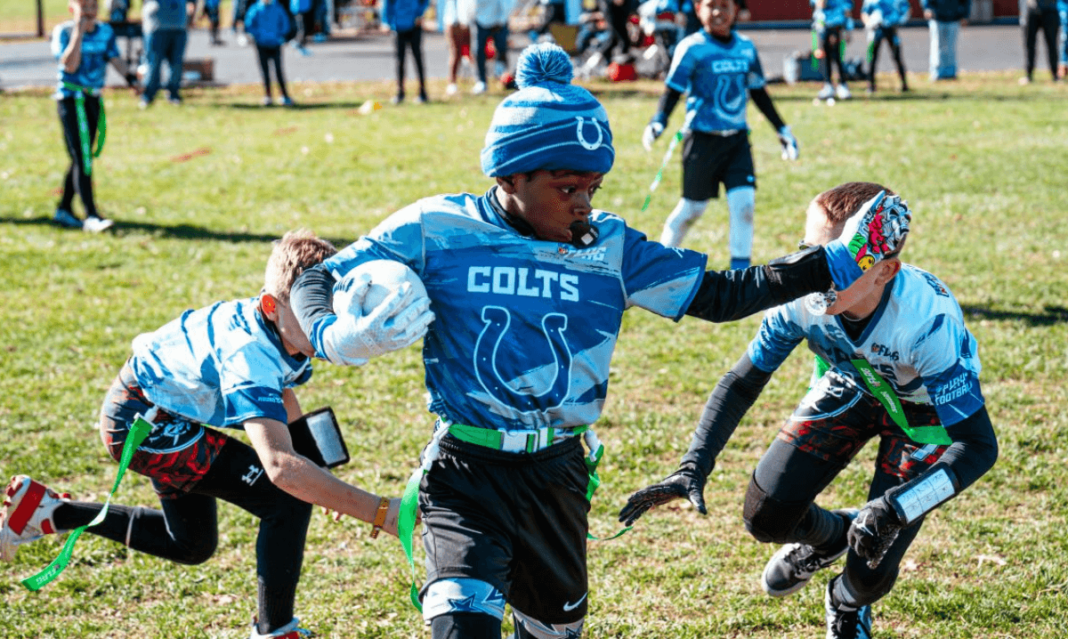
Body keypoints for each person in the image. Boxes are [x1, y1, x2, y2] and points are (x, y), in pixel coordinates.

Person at [287, 44, 908, 639]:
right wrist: (329, 332)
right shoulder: (436, 227)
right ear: (509, 173)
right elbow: (319, 275)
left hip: (557, 474)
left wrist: (831, 261)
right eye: (566, 188)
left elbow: (722, 296)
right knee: (458, 623)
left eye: (593, 187)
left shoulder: (612, 247)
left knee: (553, 629)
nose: (584, 203)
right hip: (465, 472)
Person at [0, 230, 435, 639]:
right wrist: (380, 511)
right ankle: (275, 631)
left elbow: (284, 397)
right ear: (271, 306)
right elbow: (282, 468)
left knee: (190, 543)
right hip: (143, 421)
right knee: (284, 498)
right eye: (313, 314)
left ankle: (48, 512)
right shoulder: (250, 351)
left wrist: (318, 472)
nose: (325, 324)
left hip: (160, 411)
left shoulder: (287, 329)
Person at [620, 182, 998, 639]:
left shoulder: (924, 321)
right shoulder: (801, 295)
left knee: (870, 573)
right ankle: (833, 535)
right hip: (853, 385)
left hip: (922, 417)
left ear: (884, 272)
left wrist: (899, 507)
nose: (815, 272)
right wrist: (692, 466)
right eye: (810, 252)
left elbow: (978, 446)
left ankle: (844, 600)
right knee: (765, 517)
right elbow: (741, 382)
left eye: (837, 262)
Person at [642, 0, 799, 269]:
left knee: (744, 208)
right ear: (698, 9)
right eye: (711, 5)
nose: (718, 12)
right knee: (692, 209)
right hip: (702, 140)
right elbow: (673, 90)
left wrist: (782, 129)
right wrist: (659, 121)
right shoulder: (691, 47)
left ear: (735, 10)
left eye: (725, 5)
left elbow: (758, 92)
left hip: (737, 141)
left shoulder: (746, 48)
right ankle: (656, 264)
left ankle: (740, 275)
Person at [50, 0, 138, 232]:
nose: (89, 12)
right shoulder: (64, 32)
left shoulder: (105, 31)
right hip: (71, 100)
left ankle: (64, 209)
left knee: (82, 156)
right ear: (73, 8)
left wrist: (130, 79)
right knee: (82, 157)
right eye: (84, 7)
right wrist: (78, 33)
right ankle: (91, 215)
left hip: (92, 99)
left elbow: (114, 57)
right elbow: (69, 65)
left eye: (93, 6)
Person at [139, 0, 190, 107]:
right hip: (155, 26)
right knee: (153, 64)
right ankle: (147, 96)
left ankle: (173, 95)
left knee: (176, 64)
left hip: (179, 25)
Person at [246, 0, 296, 106]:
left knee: (279, 71)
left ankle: (284, 95)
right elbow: (249, 24)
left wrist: (280, 36)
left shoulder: (277, 7)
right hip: (261, 44)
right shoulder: (255, 8)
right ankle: (268, 96)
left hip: (275, 44)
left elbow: (285, 23)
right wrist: (257, 36)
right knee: (265, 72)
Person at [382, 0, 430, 104]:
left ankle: (422, 93)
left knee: (418, 59)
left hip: (414, 25)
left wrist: (420, 14)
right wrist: (385, 22)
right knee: (400, 61)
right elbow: (387, 4)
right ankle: (400, 93)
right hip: (398, 26)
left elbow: (425, 1)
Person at [862, 0, 910, 93]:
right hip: (876, 29)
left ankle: (904, 84)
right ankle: (871, 85)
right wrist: (869, 24)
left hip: (891, 28)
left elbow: (905, 10)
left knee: (897, 56)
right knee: (872, 58)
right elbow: (865, 13)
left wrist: (898, 21)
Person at [811, 0, 854, 100]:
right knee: (825, 56)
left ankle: (842, 85)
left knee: (837, 56)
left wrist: (848, 30)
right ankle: (828, 85)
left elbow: (847, 10)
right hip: (823, 26)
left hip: (837, 25)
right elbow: (817, 6)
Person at [471, 0, 513, 94]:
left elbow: (510, 2)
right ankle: (481, 81)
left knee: (502, 49)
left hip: (501, 21)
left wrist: (502, 19)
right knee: (478, 51)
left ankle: (504, 79)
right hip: (480, 19)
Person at [922, 0, 970, 80]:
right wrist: (928, 8)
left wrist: (964, 15)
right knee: (937, 46)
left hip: (954, 16)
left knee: (951, 47)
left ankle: (950, 73)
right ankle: (937, 73)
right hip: (937, 16)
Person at [1019, 0, 1061, 83]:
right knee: (1029, 44)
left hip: (1050, 9)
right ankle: (1028, 75)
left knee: (1052, 44)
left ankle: (1055, 75)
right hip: (1031, 8)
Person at [443, 0, 473, 95]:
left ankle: (477, 80)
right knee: (455, 53)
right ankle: (452, 83)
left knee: (471, 52)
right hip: (453, 21)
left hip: (468, 20)